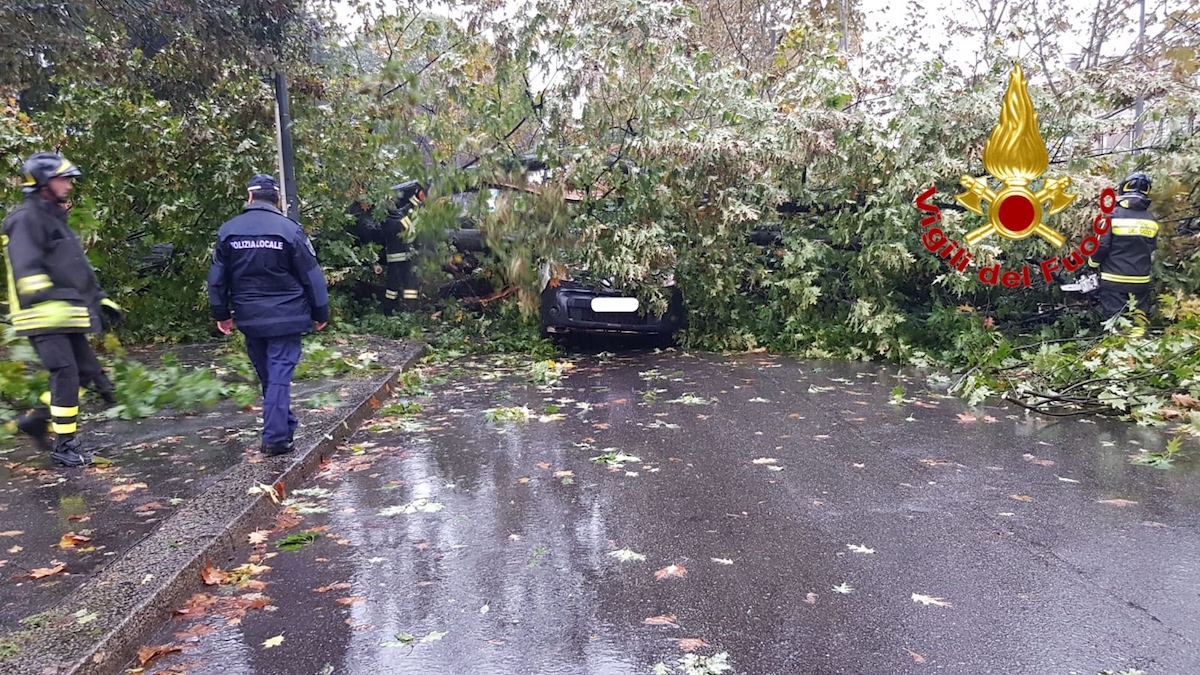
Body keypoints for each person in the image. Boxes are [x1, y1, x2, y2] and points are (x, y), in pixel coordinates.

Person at [2, 152, 121, 468]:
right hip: (41, 315)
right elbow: (27, 274)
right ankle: (65, 445)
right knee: (67, 374)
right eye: (62, 179)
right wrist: (64, 294)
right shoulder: (25, 219)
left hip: (66, 314)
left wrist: (100, 298)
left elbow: (76, 270)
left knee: (86, 372)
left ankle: (37, 421)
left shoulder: (55, 219)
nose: (68, 185)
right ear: (42, 182)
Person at [207, 173, 328, 456]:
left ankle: (283, 426)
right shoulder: (289, 230)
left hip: (250, 318)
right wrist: (320, 311)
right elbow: (312, 276)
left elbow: (216, 279)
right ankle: (275, 438)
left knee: (269, 375)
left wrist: (221, 313)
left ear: (249, 197)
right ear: (277, 200)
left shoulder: (229, 231)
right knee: (278, 376)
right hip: (287, 317)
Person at [1087, 171, 1159, 329]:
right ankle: (1140, 349)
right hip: (1141, 281)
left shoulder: (1112, 216)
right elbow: (1152, 248)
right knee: (1138, 322)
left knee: (1116, 323)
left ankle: (1118, 349)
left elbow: (1102, 246)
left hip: (1114, 280)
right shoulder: (1151, 220)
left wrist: (1091, 265)